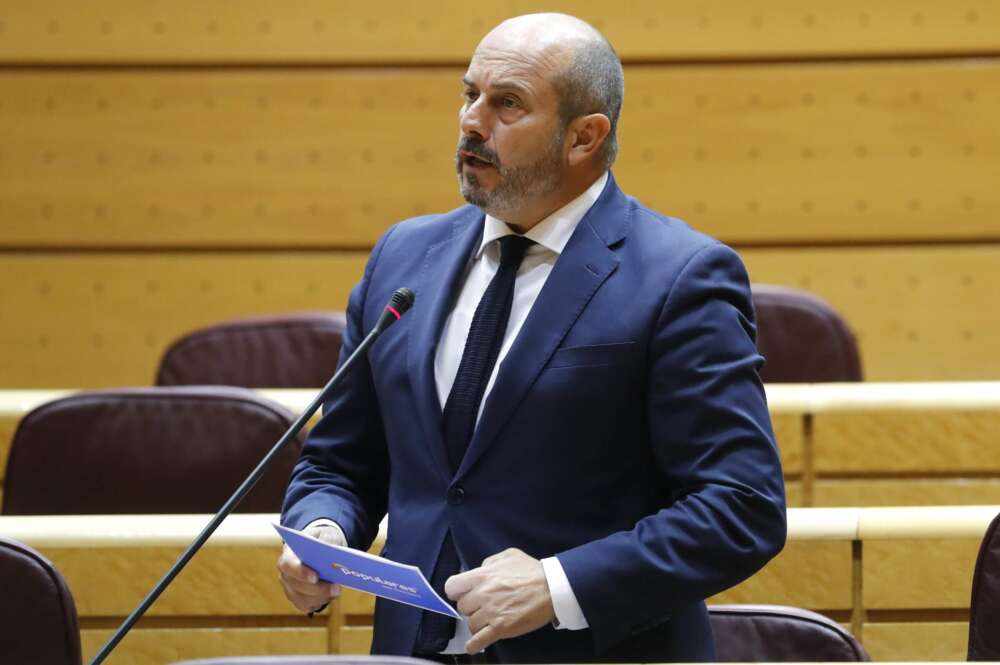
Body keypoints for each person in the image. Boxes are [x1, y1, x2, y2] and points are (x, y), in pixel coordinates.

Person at [278, 12, 786, 664]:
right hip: (411, 650)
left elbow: (741, 506)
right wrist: (322, 529)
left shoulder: (679, 276)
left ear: (584, 137)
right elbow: (343, 460)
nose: (471, 120)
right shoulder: (402, 259)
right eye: (470, 94)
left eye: (507, 104)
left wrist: (557, 584)